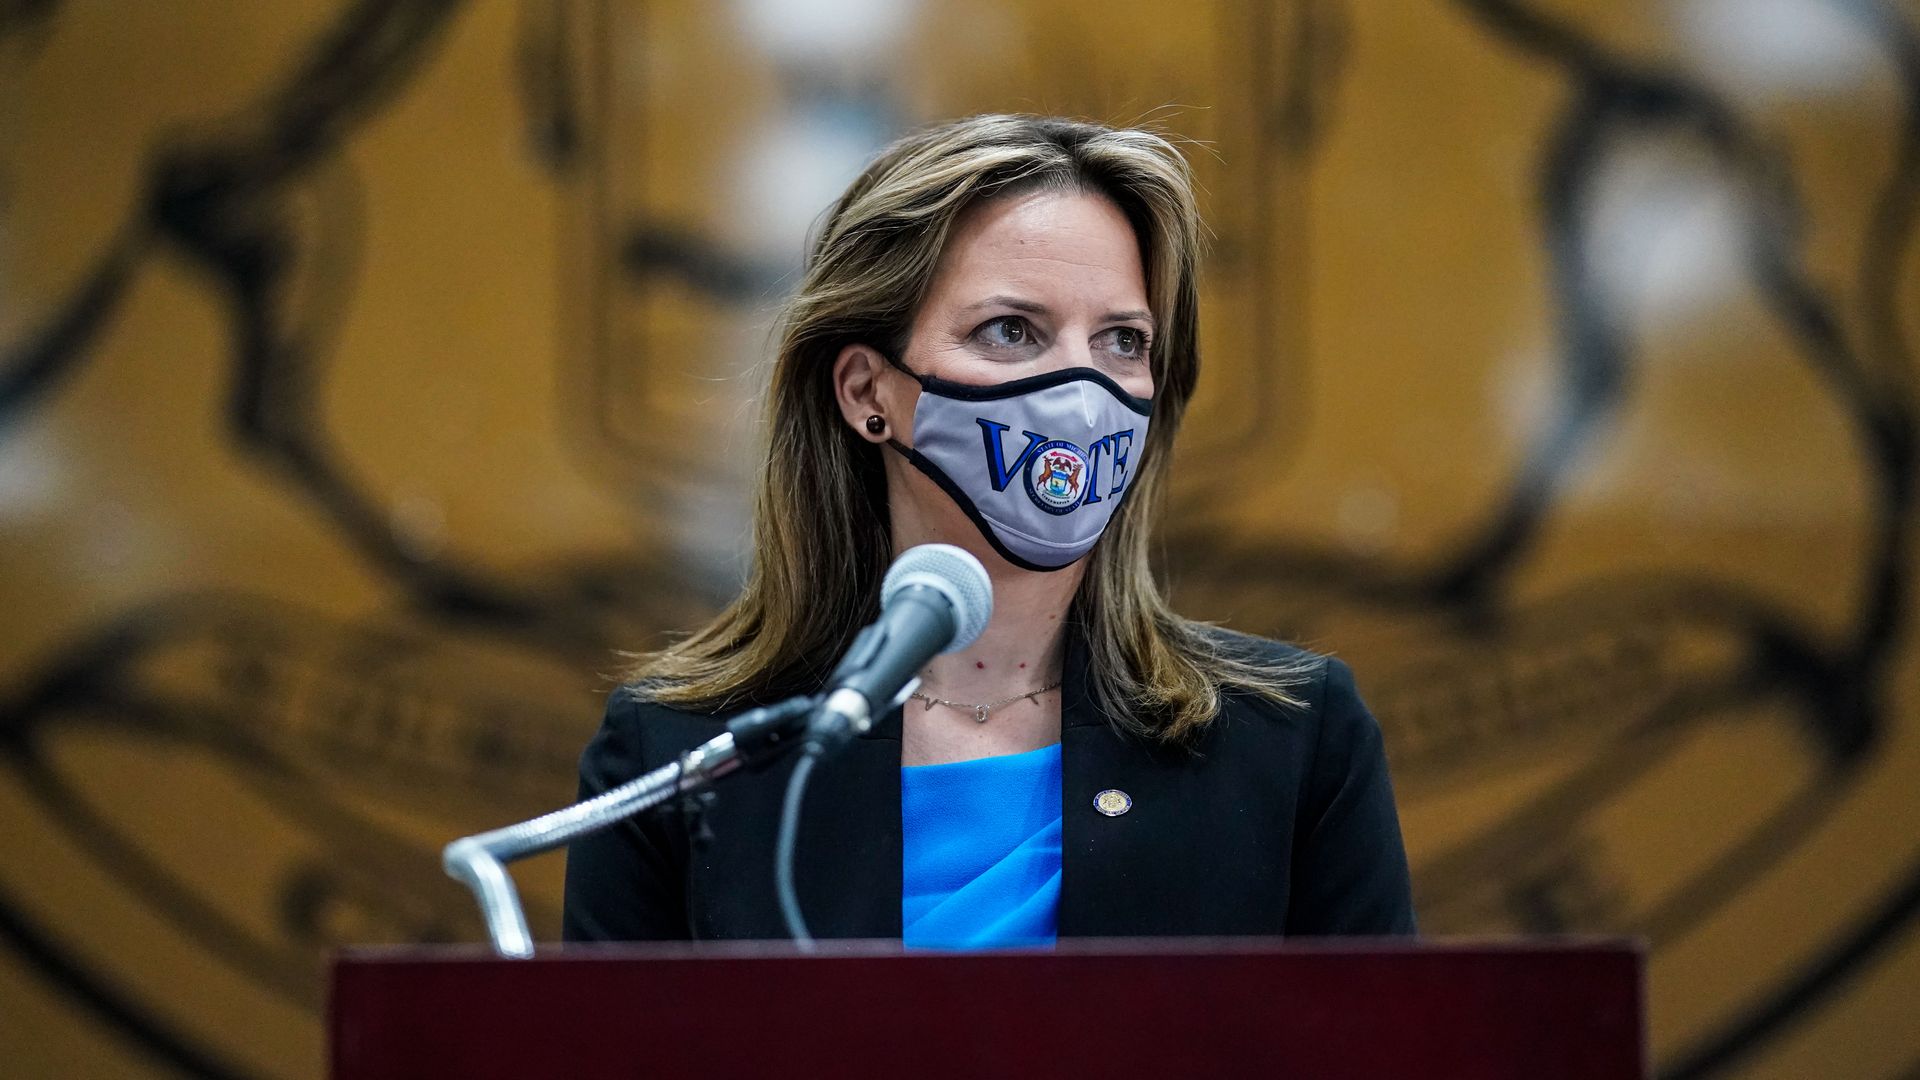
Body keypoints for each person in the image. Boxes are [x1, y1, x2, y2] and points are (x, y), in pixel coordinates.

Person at [563, 114, 1415, 946]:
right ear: (867, 392)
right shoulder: (678, 758)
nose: (1081, 392)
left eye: (1123, 340)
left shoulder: (1295, 738)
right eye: (1012, 331)